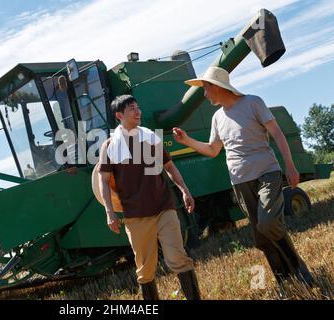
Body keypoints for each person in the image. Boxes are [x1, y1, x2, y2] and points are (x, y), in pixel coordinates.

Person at [173, 66, 314, 289]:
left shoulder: (253, 102)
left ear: (217, 86)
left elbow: (277, 133)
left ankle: (300, 269)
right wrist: (187, 141)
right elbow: (212, 149)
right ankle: (284, 281)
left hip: (267, 172)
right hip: (240, 181)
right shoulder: (218, 117)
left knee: (268, 224)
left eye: (206, 89)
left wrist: (290, 164)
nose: (204, 94)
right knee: (261, 238)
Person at [97, 95, 201, 300]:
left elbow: (169, 167)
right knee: (145, 269)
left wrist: (184, 190)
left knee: (178, 258)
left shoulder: (152, 138)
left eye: (138, 107)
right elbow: (103, 181)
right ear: (119, 115)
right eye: (131, 109)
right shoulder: (109, 146)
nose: (138, 112)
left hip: (164, 207)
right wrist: (109, 211)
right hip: (135, 215)